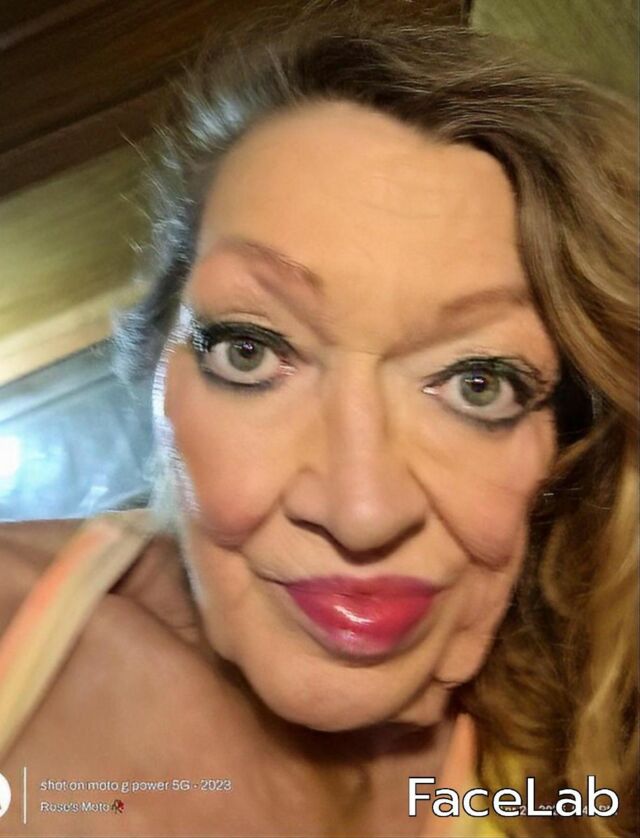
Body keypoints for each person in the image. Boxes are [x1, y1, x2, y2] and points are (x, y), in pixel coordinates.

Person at [0, 2, 637, 837]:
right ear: (155, 368)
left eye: (479, 384)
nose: (361, 513)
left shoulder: (587, 747)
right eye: (252, 350)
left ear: (563, 441)